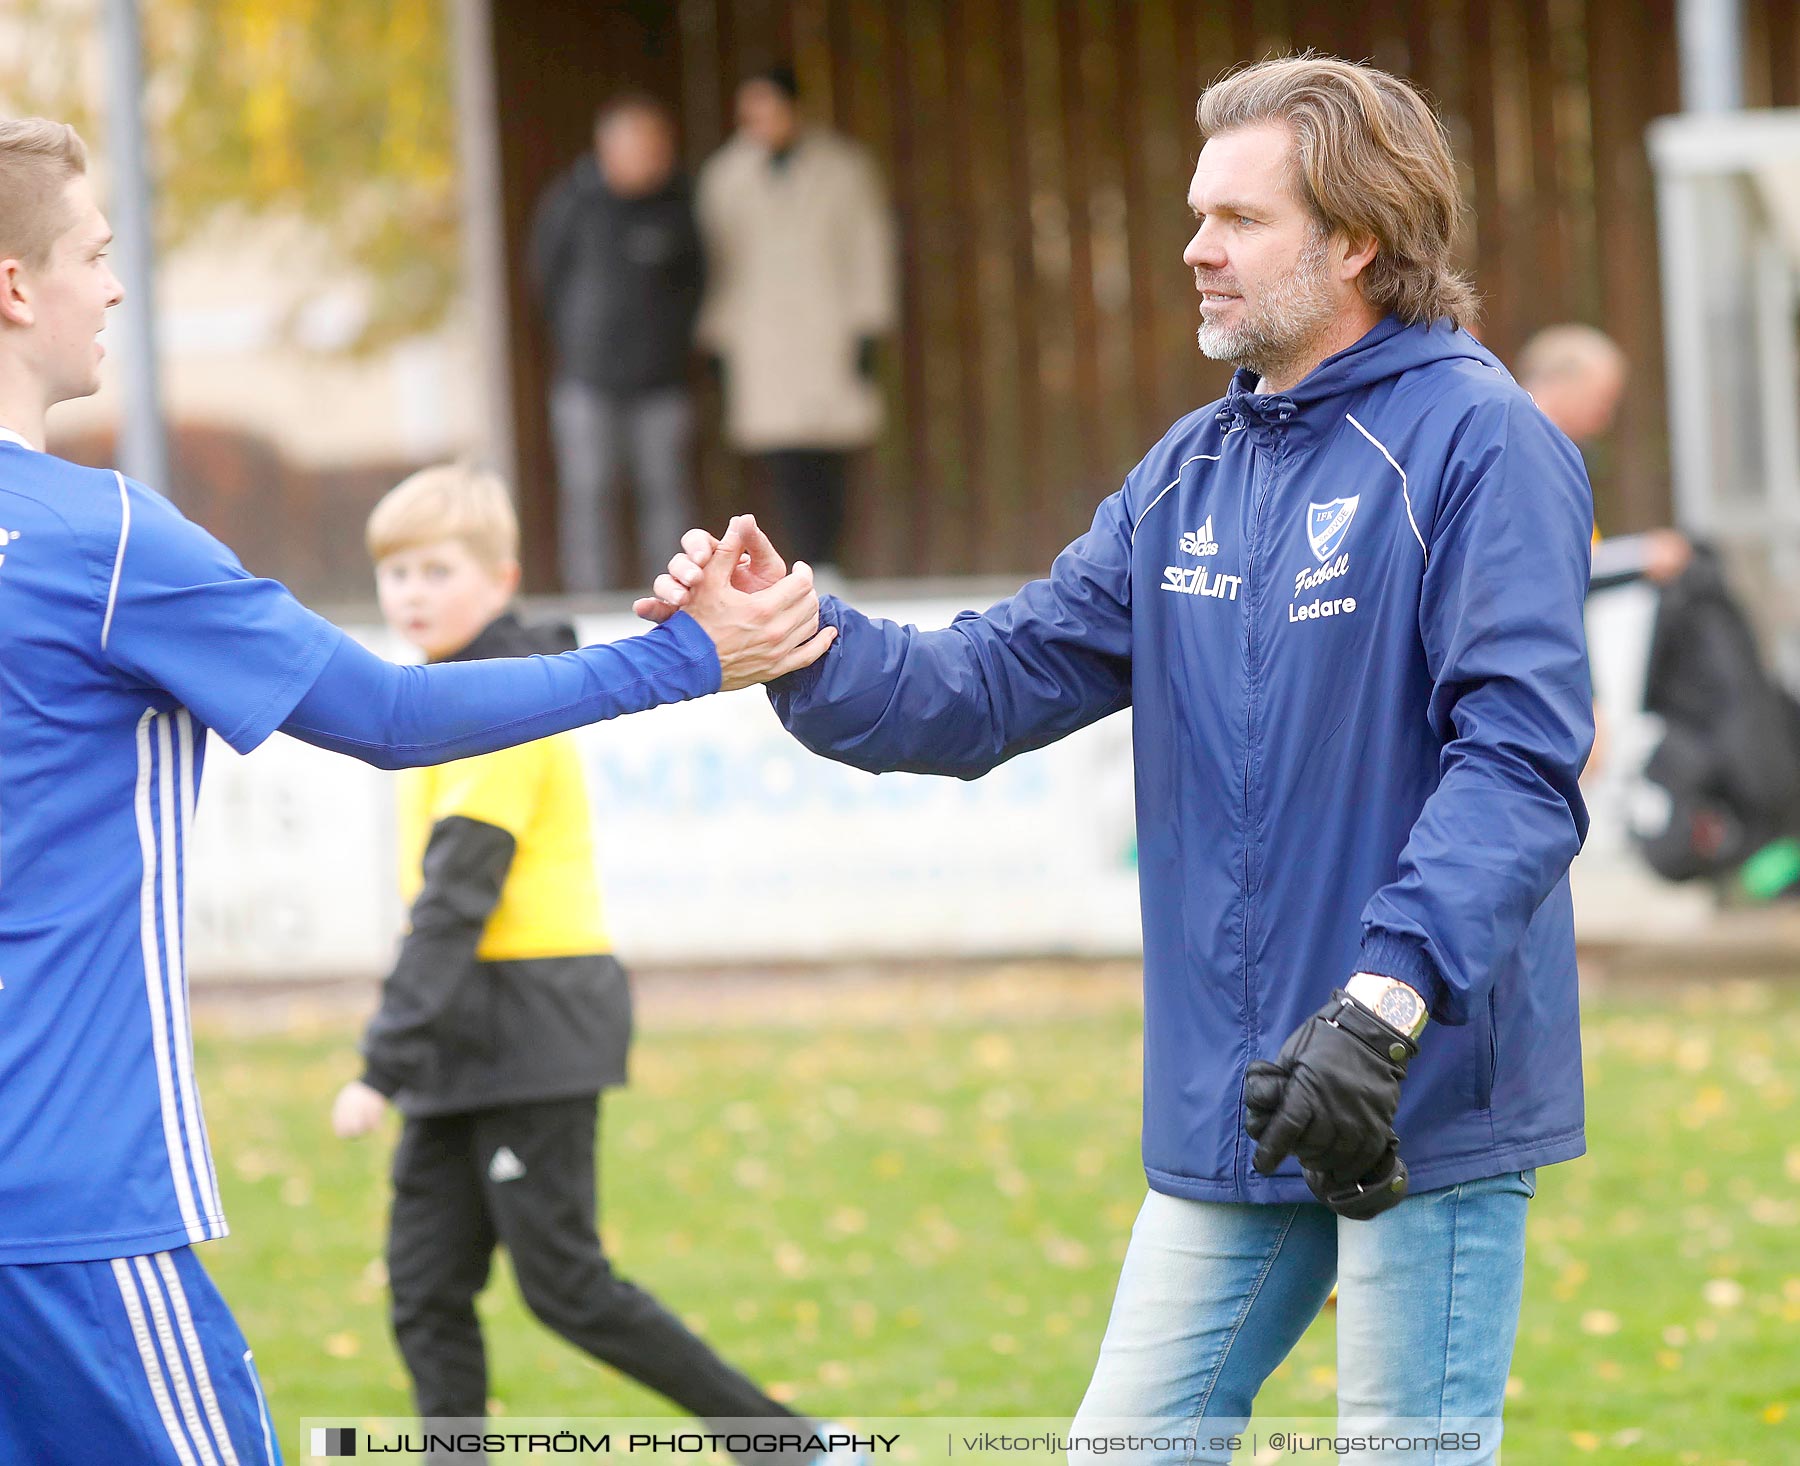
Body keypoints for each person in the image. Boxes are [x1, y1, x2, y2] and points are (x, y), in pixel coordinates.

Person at [645, 56, 1593, 1464]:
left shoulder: (1478, 439)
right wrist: (798, 638)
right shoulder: (1188, 468)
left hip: (1421, 1087)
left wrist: (1383, 1004)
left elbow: (1518, 761)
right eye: (1195, 212)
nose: (1196, 248)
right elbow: (990, 680)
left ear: (1356, 239)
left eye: (1239, 218)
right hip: (1240, 1094)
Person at [0, 117, 829, 1466]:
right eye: (94, 253)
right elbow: (390, 712)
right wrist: (688, 657)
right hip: (64, 1206)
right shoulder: (103, 544)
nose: (114, 285)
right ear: (16, 287)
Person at [329, 464, 826, 1461]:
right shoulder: (442, 698)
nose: (411, 591)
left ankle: (790, 1441)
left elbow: (457, 898)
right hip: (461, 1033)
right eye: (396, 573)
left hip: (532, 1023)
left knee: (565, 1285)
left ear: (502, 577)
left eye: (436, 568)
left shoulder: (498, 704)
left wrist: (380, 1063)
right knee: (426, 1285)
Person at [695, 63, 896, 574]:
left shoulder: (844, 168)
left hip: (827, 327)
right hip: (759, 335)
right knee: (780, 457)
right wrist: (716, 335)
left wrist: (868, 325)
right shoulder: (724, 177)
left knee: (829, 453)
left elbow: (869, 248)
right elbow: (713, 264)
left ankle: (828, 562)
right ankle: (800, 563)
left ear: (795, 109)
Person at [531, 94, 706, 592]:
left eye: (656, 148)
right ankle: (591, 599)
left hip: (662, 382)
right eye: (636, 148)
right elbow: (543, 278)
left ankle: (675, 599)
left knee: (667, 495)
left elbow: (699, 284)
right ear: (607, 149)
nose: (649, 159)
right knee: (587, 493)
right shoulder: (571, 203)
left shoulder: (680, 206)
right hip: (587, 381)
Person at [1516, 322, 1691, 590]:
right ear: (1562, 383)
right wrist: (1642, 557)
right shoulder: (1524, 448)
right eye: (1602, 400)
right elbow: (1557, 564)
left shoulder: (1555, 450)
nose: (1605, 419)